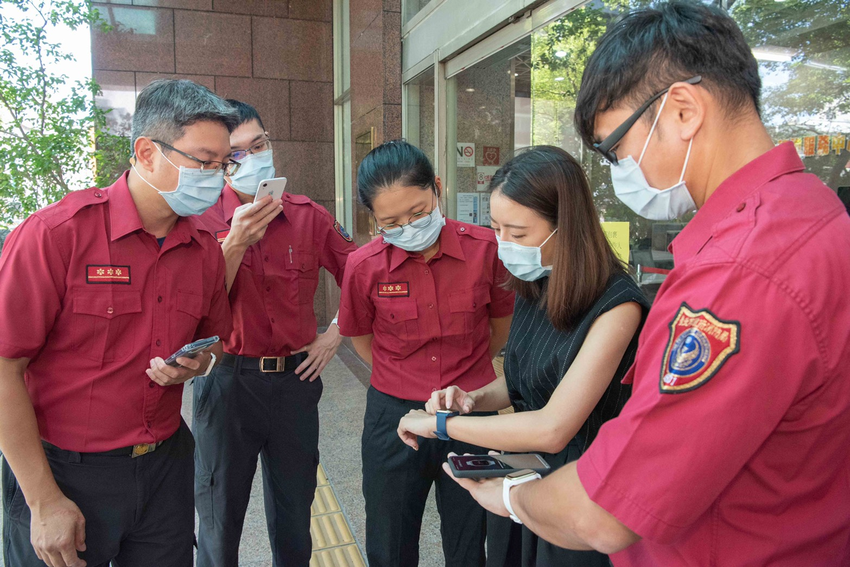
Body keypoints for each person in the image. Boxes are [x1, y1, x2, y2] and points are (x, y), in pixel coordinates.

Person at [443, 3, 850, 565]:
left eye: (616, 149)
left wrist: (511, 496)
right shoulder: (812, 213)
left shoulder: (738, 271)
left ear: (682, 110)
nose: (618, 170)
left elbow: (607, 510)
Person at [0, 79, 236, 567]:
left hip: (165, 466)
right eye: (203, 161)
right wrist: (43, 500)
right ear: (147, 153)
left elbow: (215, 342)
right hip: (67, 473)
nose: (216, 178)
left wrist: (196, 364)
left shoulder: (204, 250)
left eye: (223, 165)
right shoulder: (56, 235)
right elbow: (3, 366)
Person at [397, 145, 649, 567]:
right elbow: (520, 380)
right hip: (520, 480)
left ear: (565, 227)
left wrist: (442, 424)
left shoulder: (618, 306)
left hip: (579, 494)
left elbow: (553, 427)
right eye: (496, 229)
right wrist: (473, 399)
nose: (504, 244)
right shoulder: (538, 280)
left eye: (518, 233)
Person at [194, 100, 357, 567]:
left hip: (294, 383)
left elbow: (362, 276)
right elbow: (196, 312)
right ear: (222, 165)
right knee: (219, 517)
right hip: (228, 383)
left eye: (259, 145)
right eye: (237, 154)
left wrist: (336, 331)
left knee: (295, 512)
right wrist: (234, 243)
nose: (253, 158)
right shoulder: (202, 222)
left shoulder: (310, 216)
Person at [337, 140, 515, 567]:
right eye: (391, 223)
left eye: (417, 213)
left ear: (436, 188)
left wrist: (467, 375)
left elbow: (500, 327)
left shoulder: (486, 249)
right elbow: (360, 337)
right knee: (390, 534)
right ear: (374, 220)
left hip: (471, 413)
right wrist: (402, 376)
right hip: (393, 416)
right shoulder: (364, 266)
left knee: (470, 534)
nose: (408, 227)